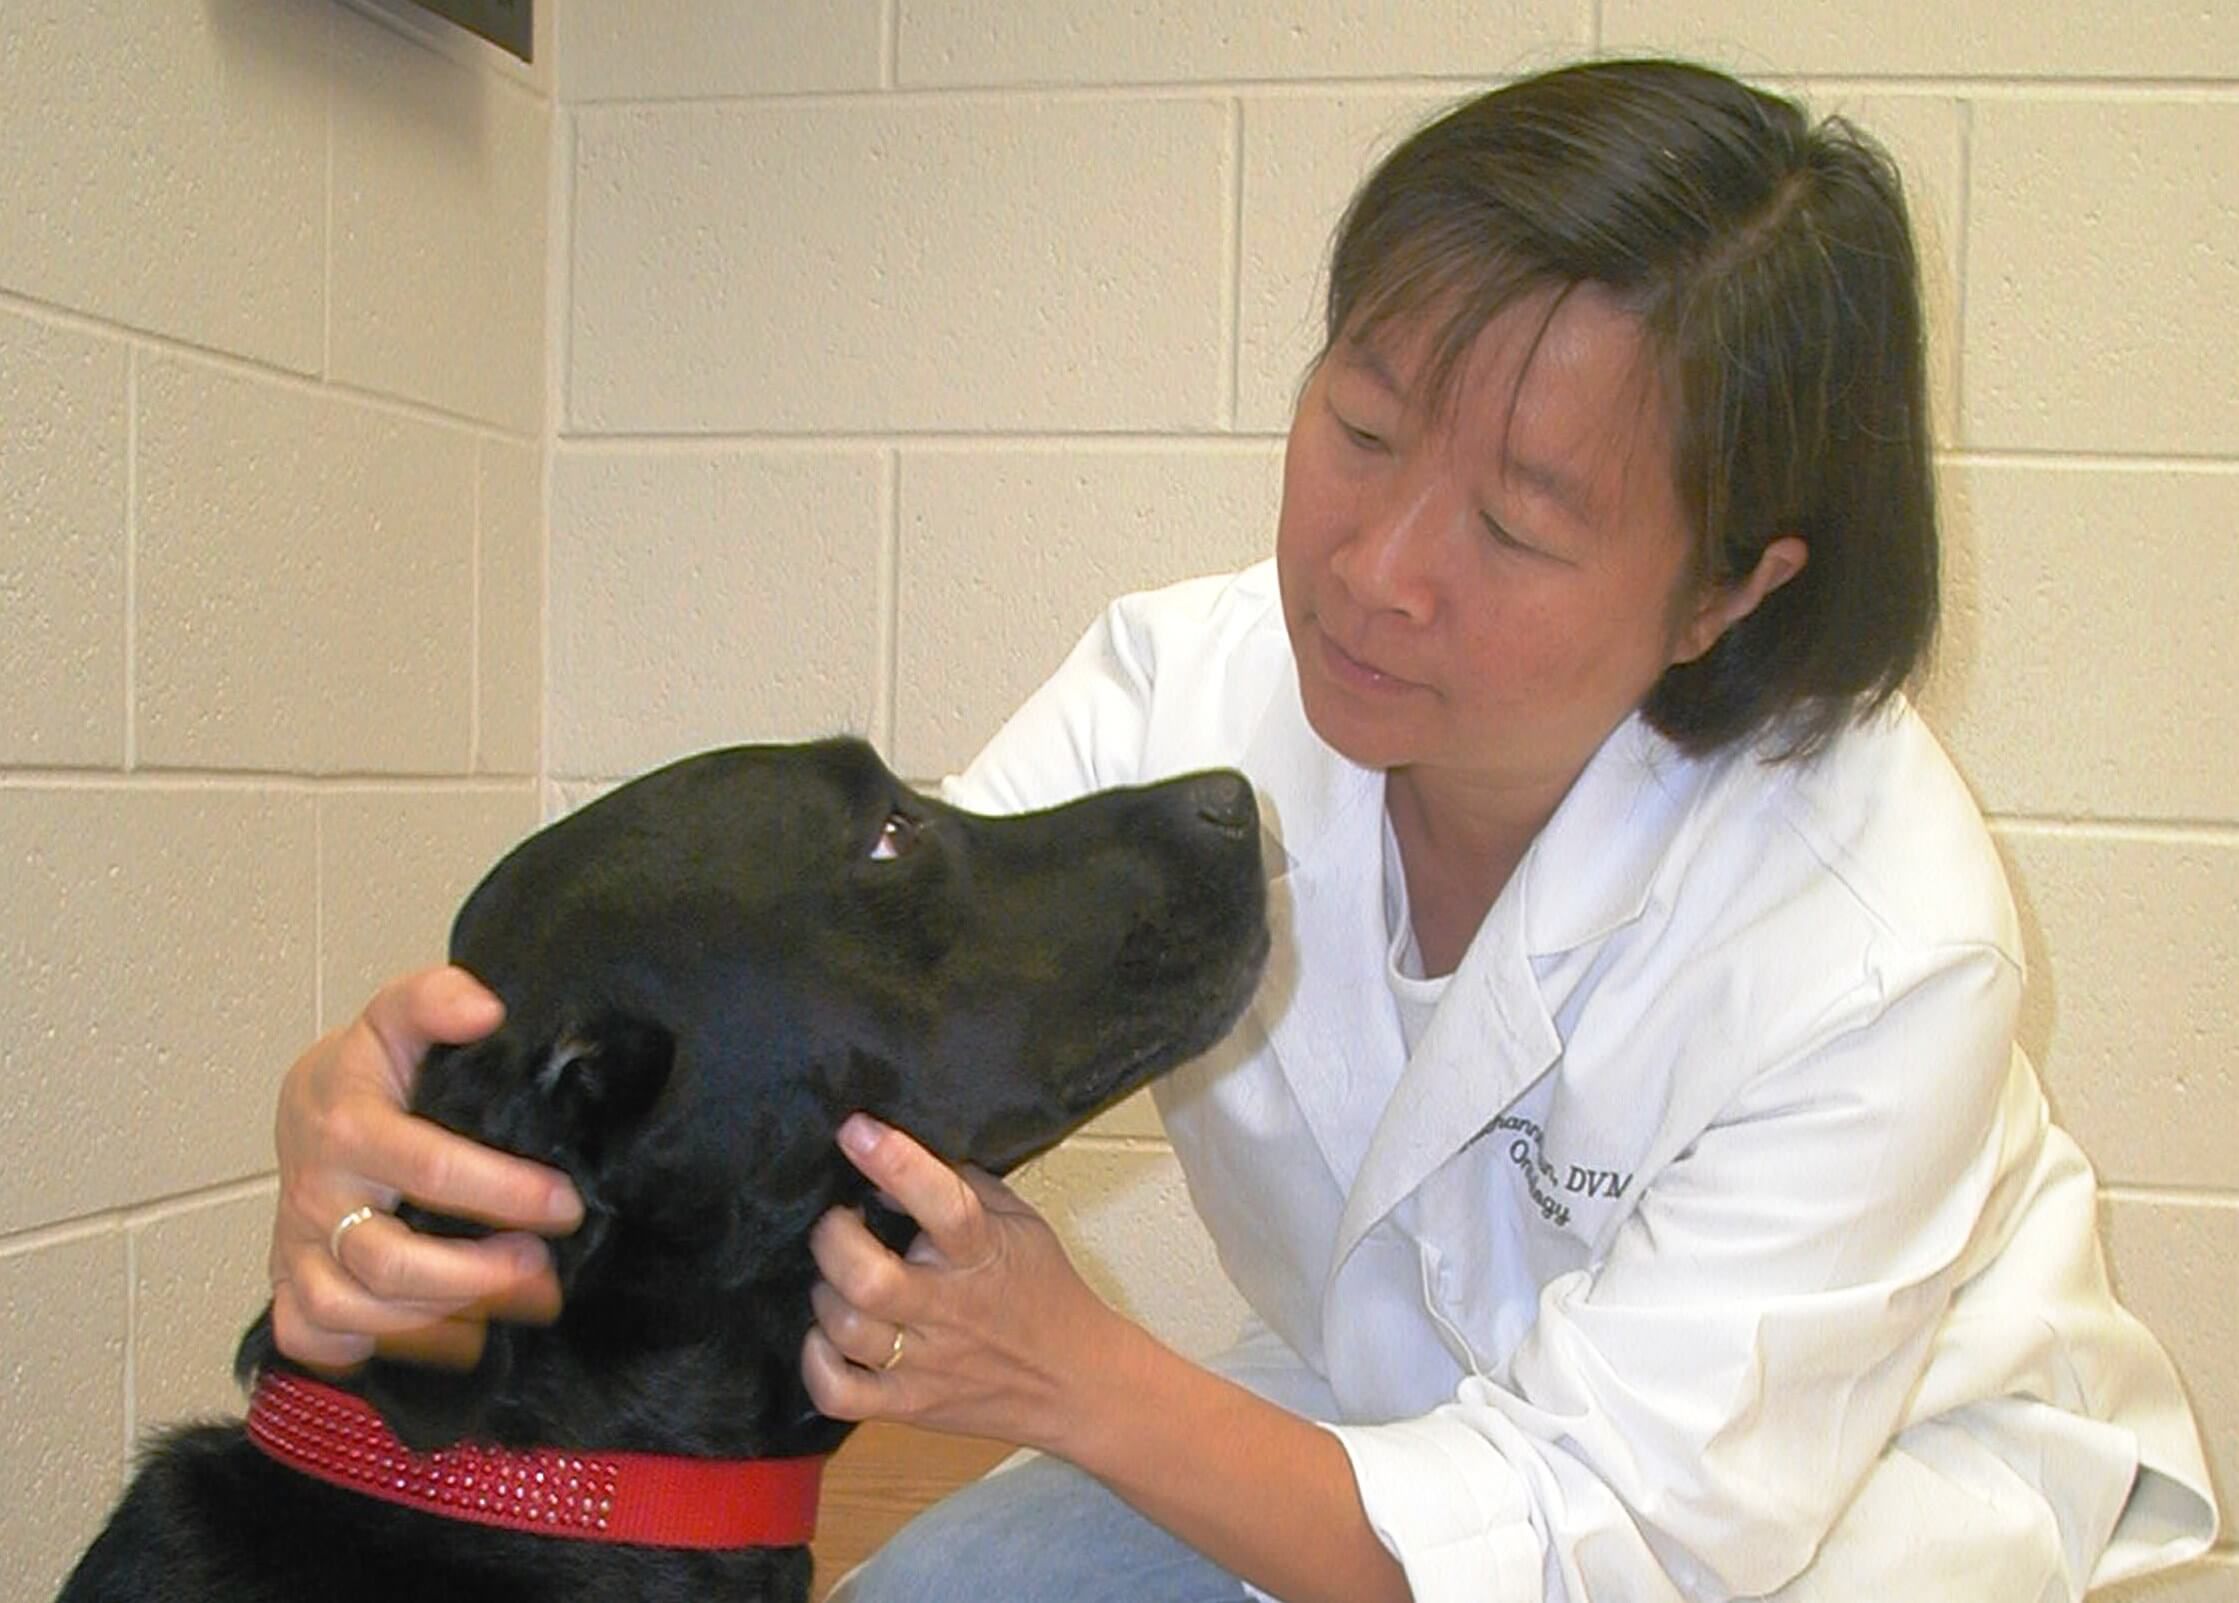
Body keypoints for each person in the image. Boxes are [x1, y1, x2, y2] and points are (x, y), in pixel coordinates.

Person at [264, 57, 2217, 1603]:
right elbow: (832, 1011)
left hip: (1830, 1512)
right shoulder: (1186, 696)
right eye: (1359, 425)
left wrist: (1074, 1374)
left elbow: (1610, 1541)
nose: (1373, 572)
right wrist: (405, 1143)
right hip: (1380, 1427)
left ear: (1729, 589)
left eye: (1520, 524)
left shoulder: (1872, 932)